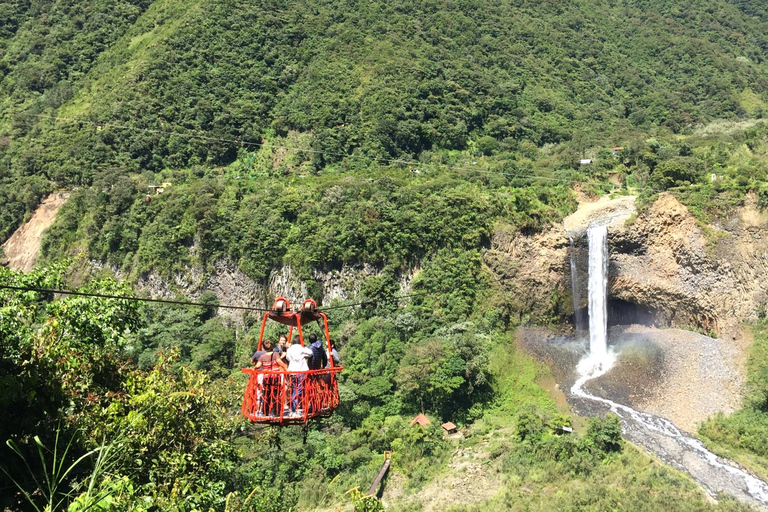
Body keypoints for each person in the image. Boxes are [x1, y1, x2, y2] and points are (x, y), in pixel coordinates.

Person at [254, 339, 288, 417]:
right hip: (275, 377)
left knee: (266, 394)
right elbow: (279, 362)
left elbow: (258, 365)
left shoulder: (262, 356)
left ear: (263, 347)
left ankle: (265, 412)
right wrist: (285, 367)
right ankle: (274, 412)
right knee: (275, 394)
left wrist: (254, 368)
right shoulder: (275, 354)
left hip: (266, 378)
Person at [286, 334, 312, 416]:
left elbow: (288, 358)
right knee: (299, 390)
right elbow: (310, 353)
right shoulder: (301, 348)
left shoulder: (290, 349)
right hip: (301, 371)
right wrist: (304, 349)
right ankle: (294, 409)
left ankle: (293, 409)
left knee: (294, 388)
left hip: (293, 371)